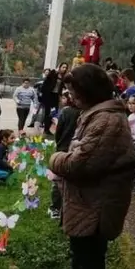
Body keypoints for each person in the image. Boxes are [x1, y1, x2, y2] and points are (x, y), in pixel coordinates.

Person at [46, 64, 135, 269]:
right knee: (79, 246)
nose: (71, 96)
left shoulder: (106, 120)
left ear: (90, 90)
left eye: (74, 91)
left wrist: (56, 159)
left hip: (99, 199)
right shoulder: (95, 114)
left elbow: (80, 163)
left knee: (91, 251)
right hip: (88, 196)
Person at [49, 89, 80, 220]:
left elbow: (58, 131)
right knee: (72, 180)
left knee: (57, 180)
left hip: (62, 148)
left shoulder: (66, 112)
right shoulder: (83, 112)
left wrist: (59, 142)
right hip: (76, 150)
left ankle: (55, 208)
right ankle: (68, 208)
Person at [40, 63, 68, 136]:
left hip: (55, 96)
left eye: (66, 68)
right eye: (63, 67)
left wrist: (61, 96)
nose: (64, 69)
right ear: (59, 67)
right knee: (48, 113)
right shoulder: (53, 73)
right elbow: (48, 78)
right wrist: (55, 70)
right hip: (49, 95)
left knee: (54, 113)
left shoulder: (63, 77)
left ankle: (48, 129)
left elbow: (62, 87)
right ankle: (46, 130)